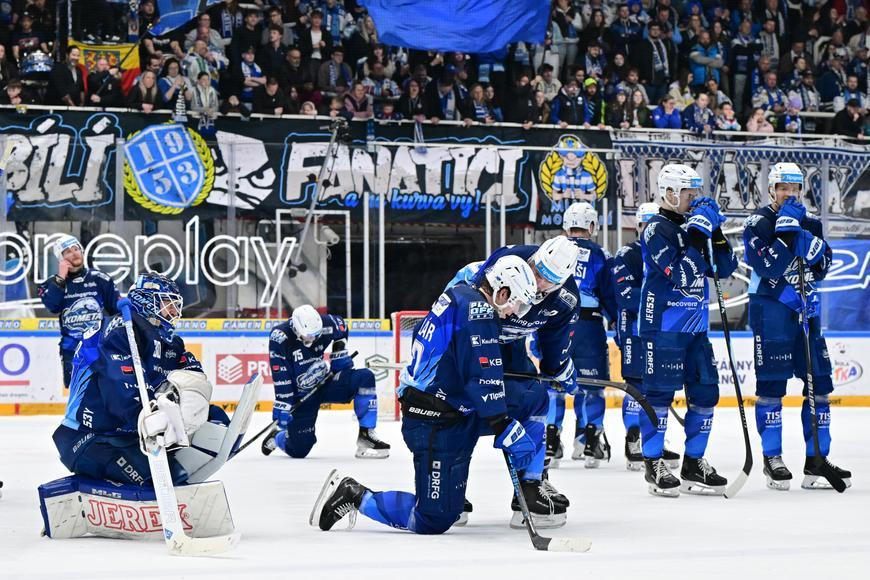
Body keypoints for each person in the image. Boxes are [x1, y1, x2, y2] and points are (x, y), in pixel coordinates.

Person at [309, 256, 539, 534]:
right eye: (517, 301)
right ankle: (355, 494)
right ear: (502, 291)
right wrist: (505, 427)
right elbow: (483, 377)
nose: (515, 311)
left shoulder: (459, 293)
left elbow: (459, 360)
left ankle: (530, 483)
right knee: (435, 519)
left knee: (533, 395)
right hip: (433, 423)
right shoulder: (479, 311)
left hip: (451, 411)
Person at [446, 236, 581, 526]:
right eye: (538, 271)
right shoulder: (509, 260)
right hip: (471, 335)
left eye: (550, 280)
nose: (540, 281)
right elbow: (468, 311)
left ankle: (530, 488)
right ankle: (451, 488)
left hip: (511, 345)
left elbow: (554, 347)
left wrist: (559, 368)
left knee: (534, 400)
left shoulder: (566, 300)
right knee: (462, 406)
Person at [51, 273, 228, 486]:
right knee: (166, 476)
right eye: (167, 303)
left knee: (215, 418)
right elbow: (120, 391)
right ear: (146, 301)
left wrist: (196, 411)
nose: (174, 311)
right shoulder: (121, 330)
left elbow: (191, 374)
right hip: (90, 439)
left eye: (175, 305)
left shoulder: (168, 341)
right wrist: (151, 419)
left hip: (127, 437)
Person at [742, 162, 851, 491]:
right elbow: (767, 265)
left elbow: (822, 268)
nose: (790, 194)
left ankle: (817, 457)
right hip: (771, 309)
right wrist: (790, 236)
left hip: (807, 310)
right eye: (784, 188)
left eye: (795, 189)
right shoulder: (758, 223)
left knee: (820, 384)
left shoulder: (812, 222)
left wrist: (806, 238)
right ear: (772, 189)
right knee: (772, 386)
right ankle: (772, 457)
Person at [638, 164, 737, 497]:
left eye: (696, 193)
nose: (694, 200)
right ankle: (653, 462)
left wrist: (717, 232)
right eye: (688, 194)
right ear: (669, 193)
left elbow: (723, 270)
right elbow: (681, 274)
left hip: (695, 328)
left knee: (707, 393)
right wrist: (698, 233)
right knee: (659, 396)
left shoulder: (698, 226)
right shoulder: (655, 229)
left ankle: (694, 462)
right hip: (662, 326)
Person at [262, 305, 390, 459]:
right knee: (299, 450)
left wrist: (339, 354)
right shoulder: (280, 337)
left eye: (316, 335)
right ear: (296, 329)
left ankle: (366, 434)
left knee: (365, 377)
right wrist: (283, 405)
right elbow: (280, 375)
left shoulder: (328, 323)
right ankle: (279, 437)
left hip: (326, 382)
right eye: (309, 336)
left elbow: (342, 327)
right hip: (302, 396)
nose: (314, 339)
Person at [611, 203, 681, 471]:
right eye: (645, 224)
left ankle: (653, 440)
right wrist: (661, 302)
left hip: (661, 329)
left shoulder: (669, 253)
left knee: (657, 388)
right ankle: (633, 440)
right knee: (636, 386)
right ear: (638, 226)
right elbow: (625, 295)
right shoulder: (627, 254)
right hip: (634, 328)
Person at [559, 202, 618, 468]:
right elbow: (607, 291)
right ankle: (591, 440)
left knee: (554, 386)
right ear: (592, 226)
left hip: (557, 323)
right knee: (592, 386)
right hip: (588, 325)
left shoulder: (551, 249)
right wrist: (616, 318)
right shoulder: (599, 253)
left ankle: (550, 440)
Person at [37, 235, 120, 389]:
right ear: (60, 258)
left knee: (106, 390)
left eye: (76, 249)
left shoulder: (100, 279)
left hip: (100, 347)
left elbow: (116, 310)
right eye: (68, 251)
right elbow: (52, 306)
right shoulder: (50, 284)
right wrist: (61, 278)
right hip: (72, 350)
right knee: (77, 394)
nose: (74, 253)